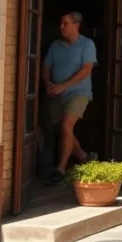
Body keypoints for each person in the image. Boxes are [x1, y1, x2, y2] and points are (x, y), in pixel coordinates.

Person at [42, 12, 97, 185]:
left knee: (67, 125)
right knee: (63, 130)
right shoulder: (56, 45)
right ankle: (85, 157)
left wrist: (63, 86)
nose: (61, 27)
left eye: (65, 23)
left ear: (76, 25)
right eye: (60, 23)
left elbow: (86, 70)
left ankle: (61, 169)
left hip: (79, 93)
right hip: (57, 93)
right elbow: (45, 66)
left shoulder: (87, 44)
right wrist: (48, 84)